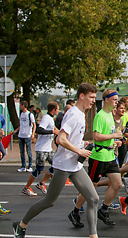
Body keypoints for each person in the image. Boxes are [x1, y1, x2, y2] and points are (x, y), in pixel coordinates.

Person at [13, 83, 100, 238]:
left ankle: (93, 236)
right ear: (82, 96)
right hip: (64, 165)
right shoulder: (73, 114)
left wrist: (81, 144)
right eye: (91, 97)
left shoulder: (81, 113)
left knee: (93, 199)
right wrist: (79, 150)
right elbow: (61, 139)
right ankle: (21, 225)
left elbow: (69, 139)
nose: (94, 100)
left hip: (75, 164)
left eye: (94, 97)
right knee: (49, 201)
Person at [71, 89, 123, 228]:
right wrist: (114, 137)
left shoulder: (110, 115)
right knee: (91, 187)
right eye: (114, 100)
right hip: (98, 157)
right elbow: (97, 137)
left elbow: (107, 136)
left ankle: (104, 210)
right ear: (106, 99)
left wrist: (114, 142)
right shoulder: (100, 116)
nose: (116, 102)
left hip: (110, 155)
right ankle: (75, 211)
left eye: (117, 100)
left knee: (117, 183)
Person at [22, 102, 60, 196]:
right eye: (57, 109)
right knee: (39, 169)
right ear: (53, 110)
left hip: (48, 148)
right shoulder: (46, 118)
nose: (58, 111)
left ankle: (41, 183)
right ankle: (26, 188)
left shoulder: (51, 118)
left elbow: (56, 129)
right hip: (41, 148)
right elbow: (40, 130)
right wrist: (53, 131)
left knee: (57, 164)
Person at [14, 101, 36, 172]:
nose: (20, 107)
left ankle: (30, 166)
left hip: (27, 135)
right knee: (22, 152)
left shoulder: (30, 114)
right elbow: (21, 124)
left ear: (23, 106)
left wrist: (33, 134)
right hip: (21, 135)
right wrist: (16, 130)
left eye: (20, 105)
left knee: (28, 151)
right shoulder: (21, 114)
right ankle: (23, 166)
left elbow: (34, 124)